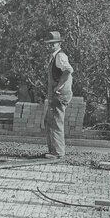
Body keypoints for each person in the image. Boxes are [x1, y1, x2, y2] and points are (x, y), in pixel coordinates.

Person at [40, 30, 74, 158]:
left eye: (53, 43)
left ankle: (58, 152)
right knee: (49, 121)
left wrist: (58, 86)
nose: (50, 46)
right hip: (56, 94)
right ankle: (53, 151)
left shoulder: (60, 56)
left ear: (59, 43)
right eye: (49, 44)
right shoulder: (54, 57)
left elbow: (68, 71)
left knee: (55, 122)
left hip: (60, 94)